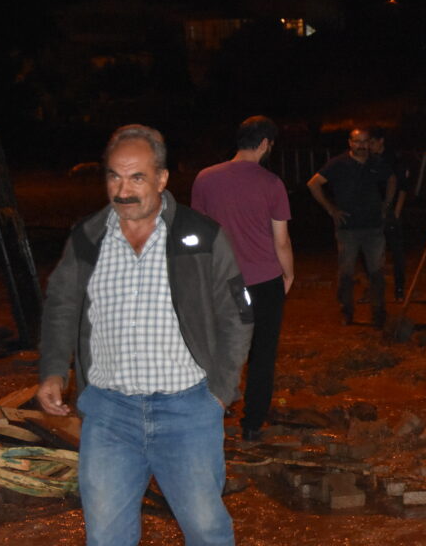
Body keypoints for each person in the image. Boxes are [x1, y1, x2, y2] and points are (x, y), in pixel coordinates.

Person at [37, 124, 252, 546]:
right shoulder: (87, 238)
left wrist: (221, 391)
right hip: (109, 414)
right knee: (106, 537)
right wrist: (53, 370)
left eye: (137, 177)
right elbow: (61, 305)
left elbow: (238, 314)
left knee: (207, 531)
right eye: (115, 176)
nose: (123, 190)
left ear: (162, 179)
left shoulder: (201, 235)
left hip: (187, 411)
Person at [191, 115, 294, 442]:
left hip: (223, 281)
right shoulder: (272, 184)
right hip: (264, 281)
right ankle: (252, 425)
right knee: (262, 353)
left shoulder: (205, 179)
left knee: (220, 349)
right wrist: (288, 273)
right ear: (265, 144)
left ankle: (212, 413)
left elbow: (198, 233)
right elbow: (281, 240)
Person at [308, 127, 395, 326]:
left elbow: (391, 179)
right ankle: (346, 310)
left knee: (377, 271)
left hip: (373, 227)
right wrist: (331, 209)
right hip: (348, 228)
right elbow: (313, 183)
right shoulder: (338, 164)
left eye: (365, 141)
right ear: (350, 143)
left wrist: (386, 205)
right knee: (346, 272)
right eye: (357, 141)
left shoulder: (376, 162)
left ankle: (378, 311)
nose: (361, 145)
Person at [369, 126, 410, 302]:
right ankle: (374, 289)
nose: (369, 146)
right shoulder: (369, 159)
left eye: (372, 142)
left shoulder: (393, 159)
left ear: (381, 141)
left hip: (391, 210)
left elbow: (403, 187)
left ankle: (399, 289)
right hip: (373, 211)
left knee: (396, 252)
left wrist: (396, 213)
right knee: (372, 251)